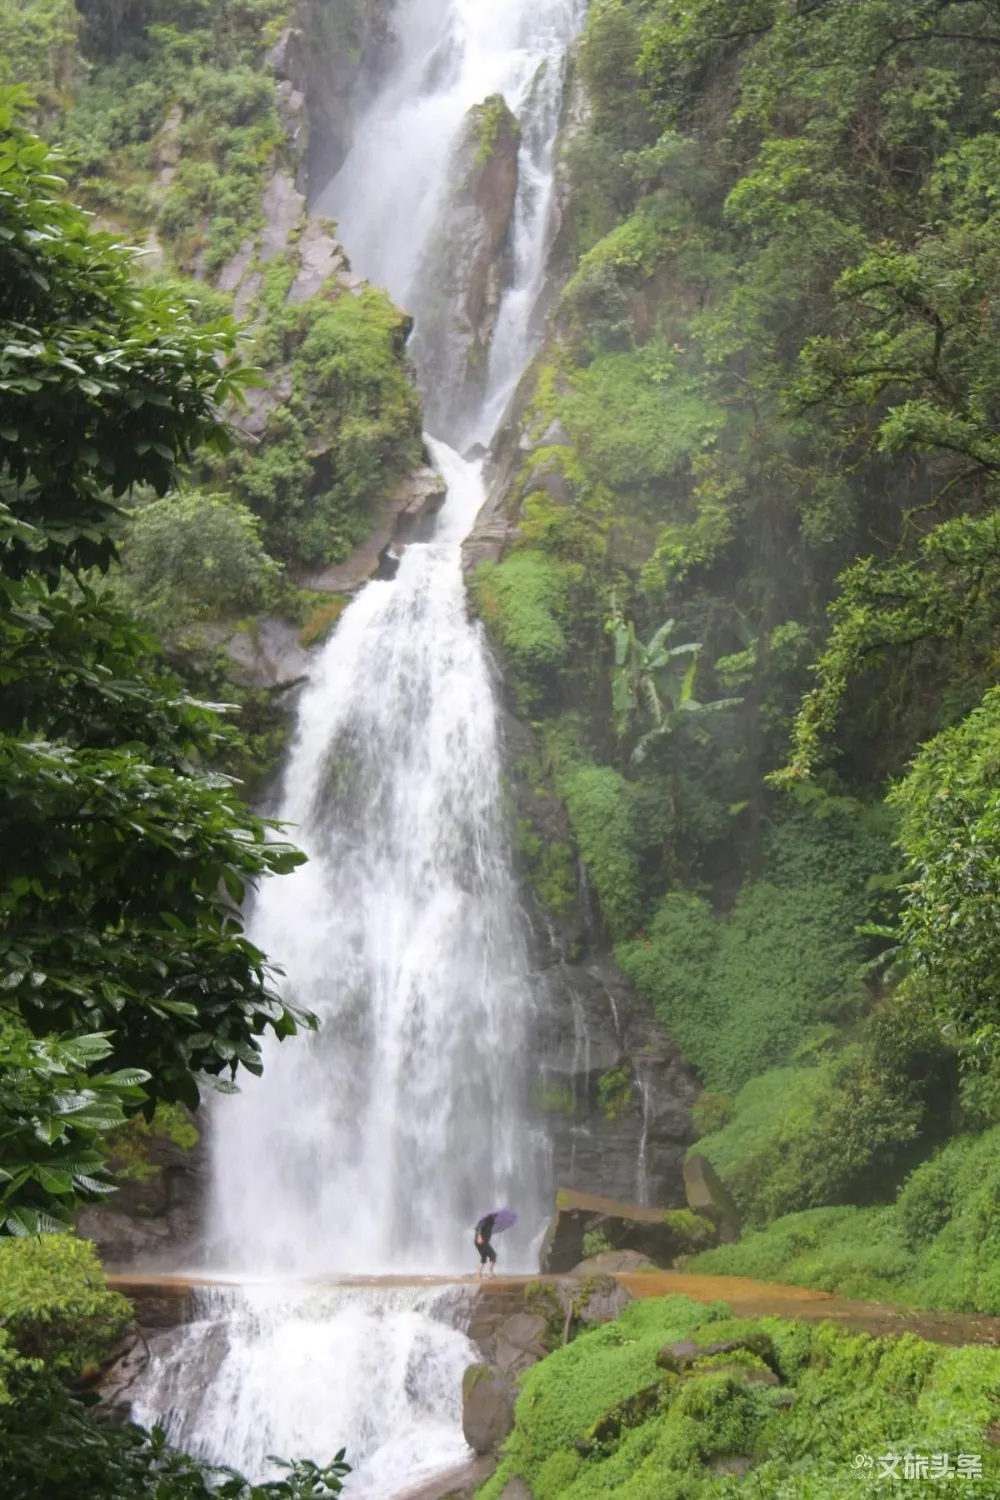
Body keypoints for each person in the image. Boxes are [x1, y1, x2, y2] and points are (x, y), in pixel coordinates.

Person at [474, 1212, 498, 1279]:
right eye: (495, 1214)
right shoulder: (486, 1220)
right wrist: (479, 1236)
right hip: (481, 1241)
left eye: (497, 1214)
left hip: (481, 1241)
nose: (496, 1215)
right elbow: (478, 1228)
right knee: (493, 1255)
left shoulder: (491, 1221)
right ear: (491, 1214)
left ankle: (478, 1274)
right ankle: (490, 1273)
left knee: (483, 1257)